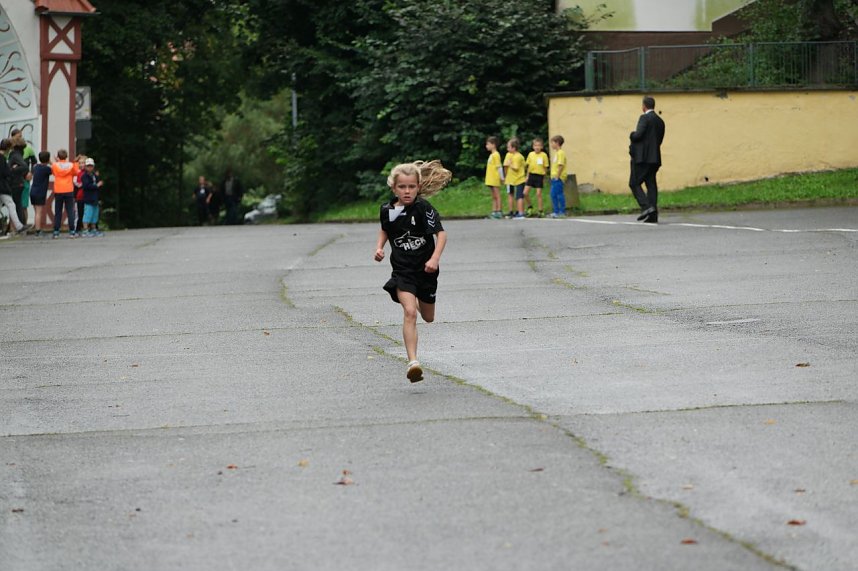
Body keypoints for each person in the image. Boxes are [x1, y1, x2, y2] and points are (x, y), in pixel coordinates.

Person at [374, 160, 451, 383]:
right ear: (394, 188)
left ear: (418, 187)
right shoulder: (389, 210)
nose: (407, 191)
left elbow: (441, 235)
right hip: (403, 271)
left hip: (426, 270)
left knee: (428, 317)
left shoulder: (423, 208)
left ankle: (418, 297)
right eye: (402, 187)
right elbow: (385, 231)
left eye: (411, 187)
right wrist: (379, 248)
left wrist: (434, 258)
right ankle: (413, 362)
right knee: (410, 313)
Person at [629, 96, 666, 224]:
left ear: (644, 106)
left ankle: (646, 207)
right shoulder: (660, 121)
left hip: (642, 158)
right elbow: (659, 140)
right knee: (651, 184)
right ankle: (653, 215)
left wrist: (632, 135)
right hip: (655, 158)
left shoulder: (644, 118)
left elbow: (638, 135)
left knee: (634, 182)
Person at [0, 138, 30, 235]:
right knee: (11, 205)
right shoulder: (2, 158)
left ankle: (18, 226)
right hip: (2, 187)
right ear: (8, 148)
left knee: (11, 204)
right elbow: (5, 172)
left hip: (3, 187)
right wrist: (12, 169)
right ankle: (19, 226)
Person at [51, 149, 79, 238]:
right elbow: (76, 172)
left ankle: (56, 231)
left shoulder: (55, 165)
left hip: (58, 190)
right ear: (66, 156)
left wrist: (57, 161)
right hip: (69, 189)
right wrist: (75, 163)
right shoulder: (71, 165)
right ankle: (72, 231)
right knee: (70, 211)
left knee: (58, 211)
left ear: (58, 157)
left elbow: (54, 173)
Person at [7, 133, 31, 227]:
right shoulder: (19, 154)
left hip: (15, 183)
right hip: (19, 182)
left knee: (16, 205)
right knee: (18, 205)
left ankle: (19, 226)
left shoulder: (14, 155)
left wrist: (13, 170)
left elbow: (24, 166)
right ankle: (20, 225)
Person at [523, 137, 549, 217]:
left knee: (538, 194)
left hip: (539, 176)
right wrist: (527, 176)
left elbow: (545, 167)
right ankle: (530, 207)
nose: (537, 147)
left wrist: (544, 177)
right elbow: (528, 166)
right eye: (535, 145)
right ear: (533, 147)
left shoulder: (544, 155)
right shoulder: (531, 154)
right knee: (525, 193)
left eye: (539, 146)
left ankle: (540, 210)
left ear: (541, 147)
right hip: (531, 175)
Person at [29, 151, 52, 237]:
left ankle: (37, 228)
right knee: (39, 212)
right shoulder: (46, 169)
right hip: (40, 192)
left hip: (33, 191)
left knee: (36, 212)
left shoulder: (36, 167)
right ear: (48, 159)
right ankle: (38, 230)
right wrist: (51, 162)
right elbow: (55, 169)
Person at [503, 138, 526, 219]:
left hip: (519, 179)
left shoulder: (518, 157)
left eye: (509, 147)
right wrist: (505, 177)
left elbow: (516, 167)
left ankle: (520, 212)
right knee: (510, 195)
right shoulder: (508, 155)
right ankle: (511, 211)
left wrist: (510, 164)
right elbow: (505, 166)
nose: (507, 149)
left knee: (519, 196)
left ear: (514, 148)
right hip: (510, 179)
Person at [81, 157, 104, 237]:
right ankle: (85, 230)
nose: (90, 167)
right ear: (85, 167)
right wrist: (96, 185)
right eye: (88, 166)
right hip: (88, 198)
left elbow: (98, 185)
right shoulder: (84, 176)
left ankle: (94, 229)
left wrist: (99, 185)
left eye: (91, 166)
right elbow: (86, 186)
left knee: (95, 214)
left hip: (95, 198)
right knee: (87, 214)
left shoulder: (95, 175)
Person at [484, 136, 504, 219]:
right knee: (493, 196)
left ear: (493, 145)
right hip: (490, 179)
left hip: (495, 178)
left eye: (488, 144)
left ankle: (499, 211)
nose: (486, 146)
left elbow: (499, 167)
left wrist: (502, 177)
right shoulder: (492, 155)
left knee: (497, 195)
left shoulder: (496, 155)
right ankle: (494, 211)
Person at [549, 135, 567, 218]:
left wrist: (557, 176)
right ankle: (556, 211)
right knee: (553, 194)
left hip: (558, 178)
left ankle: (562, 211)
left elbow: (560, 165)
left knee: (559, 194)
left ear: (557, 143)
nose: (551, 145)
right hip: (554, 177)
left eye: (552, 143)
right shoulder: (557, 153)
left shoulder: (560, 153)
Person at [73, 155, 87, 234]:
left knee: (85, 212)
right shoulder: (77, 173)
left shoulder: (88, 173)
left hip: (86, 196)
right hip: (78, 196)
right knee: (78, 213)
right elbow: (76, 184)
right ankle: (77, 228)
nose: (81, 165)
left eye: (83, 163)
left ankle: (84, 227)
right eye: (80, 163)